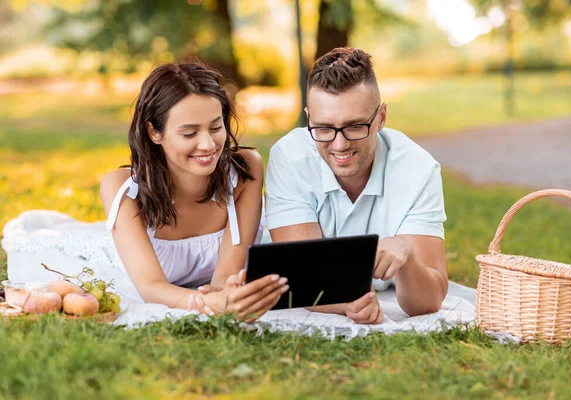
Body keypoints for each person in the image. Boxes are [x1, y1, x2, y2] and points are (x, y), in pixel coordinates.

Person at [265, 47, 448, 324]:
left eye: (355, 126)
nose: (340, 145)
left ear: (382, 117)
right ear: (309, 118)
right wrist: (346, 302)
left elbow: (428, 302)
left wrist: (408, 255)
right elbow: (301, 277)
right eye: (324, 128)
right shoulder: (289, 158)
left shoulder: (419, 170)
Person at [100, 61, 288, 321]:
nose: (208, 144)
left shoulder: (245, 171)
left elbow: (224, 280)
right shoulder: (123, 189)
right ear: (154, 131)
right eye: (189, 133)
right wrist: (207, 302)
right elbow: (150, 287)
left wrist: (224, 296)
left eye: (215, 127)